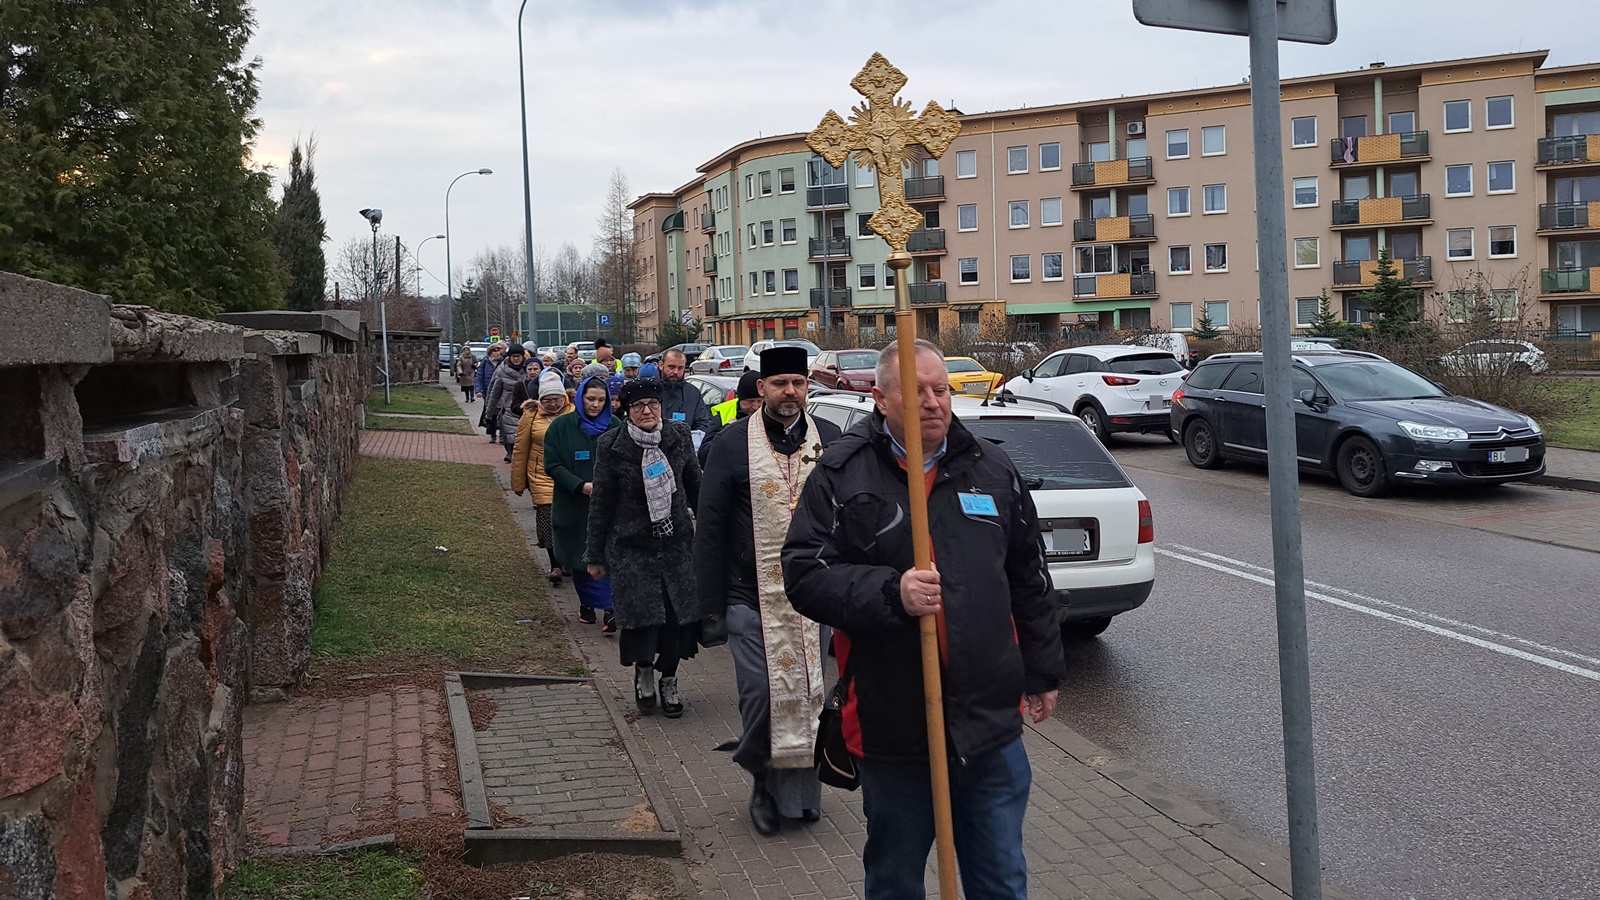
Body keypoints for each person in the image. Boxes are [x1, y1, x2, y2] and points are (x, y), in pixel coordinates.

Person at [782, 338, 1065, 900]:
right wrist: (893, 591)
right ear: (881, 399)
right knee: (894, 879)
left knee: (1001, 879)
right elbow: (805, 574)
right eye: (915, 391)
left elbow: (1029, 579)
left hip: (987, 722)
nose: (933, 402)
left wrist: (1042, 671)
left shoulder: (990, 469)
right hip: (895, 722)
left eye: (941, 390)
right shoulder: (842, 476)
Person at [694, 346, 842, 836]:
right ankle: (761, 783)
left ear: (807, 387)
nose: (790, 393)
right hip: (747, 592)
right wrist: (709, 605)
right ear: (762, 388)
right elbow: (710, 525)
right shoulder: (733, 444)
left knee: (808, 693)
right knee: (762, 694)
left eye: (798, 384)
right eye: (779, 384)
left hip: (813, 596)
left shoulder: (832, 440)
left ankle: (800, 797)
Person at [584, 378, 706, 717]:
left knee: (675, 621)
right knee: (641, 620)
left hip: (677, 547)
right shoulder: (611, 444)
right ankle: (643, 671)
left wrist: (711, 536)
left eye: (653, 404)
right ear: (627, 411)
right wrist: (594, 555)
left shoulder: (678, 436)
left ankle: (669, 679)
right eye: (639, 406)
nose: (647, 411)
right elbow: (602, 502)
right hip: (631, 548)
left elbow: (695, 485)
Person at [544, 374, 619, 630]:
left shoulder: (616, 426)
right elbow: (552, 465)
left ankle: (611, 610)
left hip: (609, 506)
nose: (595, 405)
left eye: (601, 400)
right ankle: (588, 603)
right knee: (580, 559)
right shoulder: (561, 427)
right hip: (574, 506)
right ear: (579, 398)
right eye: (590, 399)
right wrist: (581, 486)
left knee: (607, 557)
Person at [513, 369, 574, 585]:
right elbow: (520, 449)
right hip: (541, 474)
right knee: (547, 518)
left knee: (569, 520)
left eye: (556, 400)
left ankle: (568, 559)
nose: (552, 405)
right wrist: (518, 482)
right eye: (547, 401)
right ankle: (555, 564)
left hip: (569, 474)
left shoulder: (575, 411)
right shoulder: (530, 416)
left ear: (563, 398)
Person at [700, 369, 764, 467]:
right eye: (749, 402)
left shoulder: (774, 413)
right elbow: (703, 456)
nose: (755, 407)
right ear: (740, 399)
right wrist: (726, 430)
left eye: (760, 401)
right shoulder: (723, 414)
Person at [657, 348, 715, 452]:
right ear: (661, 365)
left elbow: (702, 424)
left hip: (685, 451)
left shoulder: (693, 393)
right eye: (671, 367)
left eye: (680, 368)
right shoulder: (651, 391)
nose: (675, 372)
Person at [488, 344, 533, 463]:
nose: (516, 359)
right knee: (509, 434)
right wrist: (489, 413)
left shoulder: (530, 368)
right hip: (508, 407)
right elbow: (495, 392)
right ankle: (510, 452)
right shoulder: (502, 371)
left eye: (518, 356)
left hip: (527, 407)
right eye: (513, 356)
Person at [475, 342, 505, 441]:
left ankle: (501, 434)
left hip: (501, 391)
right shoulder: (485, 362)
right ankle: (492, 433)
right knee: (490, 412)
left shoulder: (503, 362)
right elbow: (479, 377)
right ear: (490, 353)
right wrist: (478, 390)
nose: (497, 353)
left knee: (501, 412)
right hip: (487, 392)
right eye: (495, 351)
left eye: (498, 351)